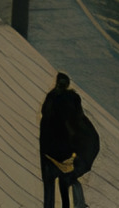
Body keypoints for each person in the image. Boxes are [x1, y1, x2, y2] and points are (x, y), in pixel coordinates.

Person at [40, 74, 101, 208]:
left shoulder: (51, 98)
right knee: (67, 180)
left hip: (48, 153)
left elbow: (45, 116)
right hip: (68, 153)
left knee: (50, 186)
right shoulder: (73, 99)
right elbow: (79, 122)